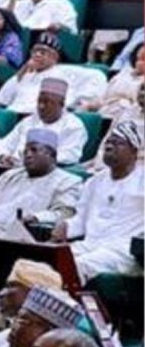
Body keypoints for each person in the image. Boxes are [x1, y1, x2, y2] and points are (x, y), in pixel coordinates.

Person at [53, 120, 144, 281]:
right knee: (47, 260)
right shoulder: (94, 182)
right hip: (90, 245)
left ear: (134, 151)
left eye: (118, 143)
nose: (109, 147)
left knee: (76, 265)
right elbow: (80, 221)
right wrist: (65, 226)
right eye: (108, 142)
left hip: (123, 251)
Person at [0, 129, 82, 242]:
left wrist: (36, 217)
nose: (28, 155)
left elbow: (64, 214)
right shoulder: (9, 176)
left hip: (15, 238)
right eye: (25, 151)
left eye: (34, 150)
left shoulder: (68, 181)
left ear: (52, 155)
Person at [0, 78, 89, 167]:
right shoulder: (29, 121)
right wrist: (3, 156)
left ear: (61, 104)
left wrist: (36, 160)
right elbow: (5, 144)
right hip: (15, 169)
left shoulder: (73, 126)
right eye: (39, 101)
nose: (41, 106)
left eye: (47, 102)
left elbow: (69, 156)